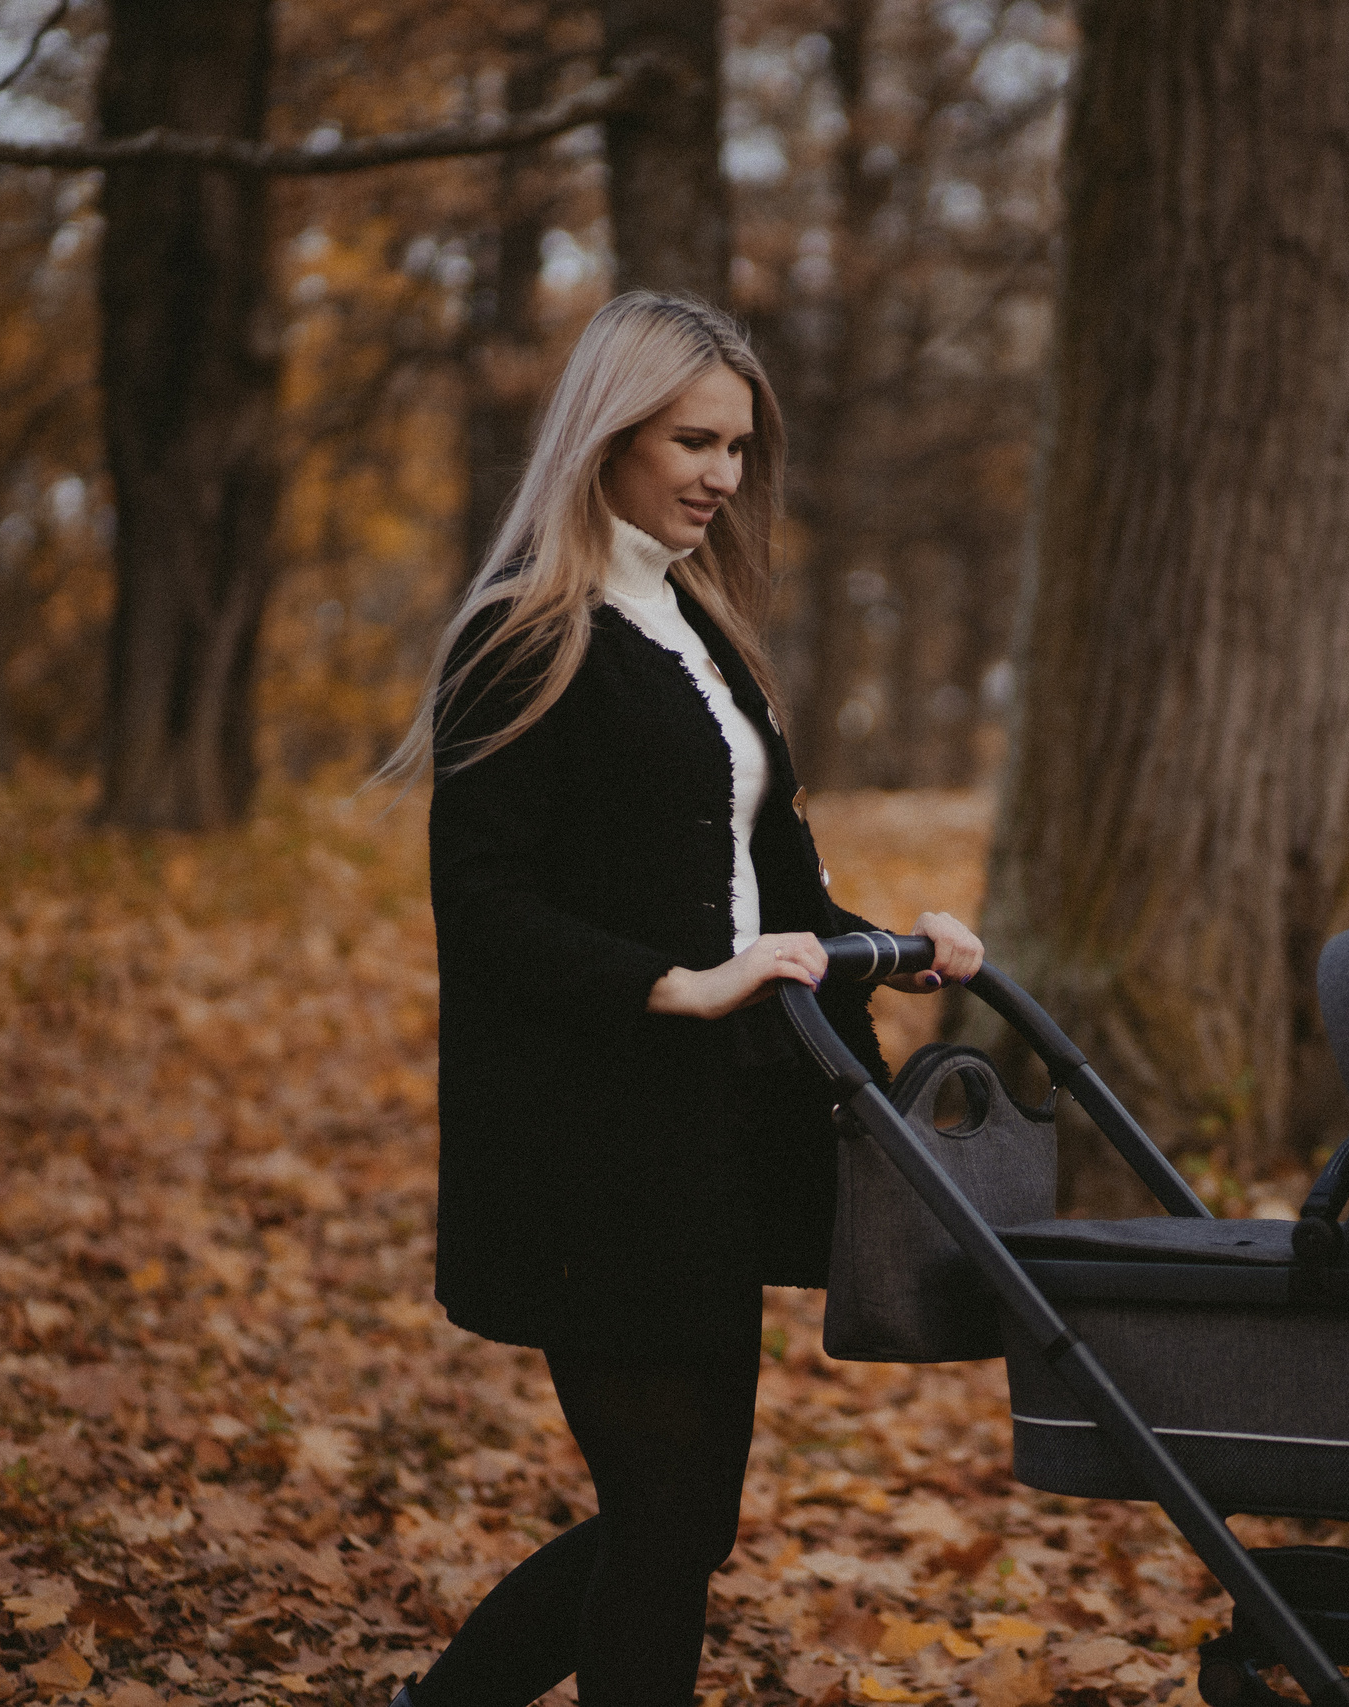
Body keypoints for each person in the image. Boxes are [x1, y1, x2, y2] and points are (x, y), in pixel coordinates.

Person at [375, 291, 983, 1707]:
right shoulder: (525, 634)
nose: (722, 476)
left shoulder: (699, 634)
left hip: (713, 1144)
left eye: (737, 449)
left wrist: (906, 943)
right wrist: (674, 986)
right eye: (693, 442)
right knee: (661, 1515)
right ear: (608, 439)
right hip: (590, 1142)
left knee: (686, 1520)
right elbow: (485, 902)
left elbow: (777, 895)